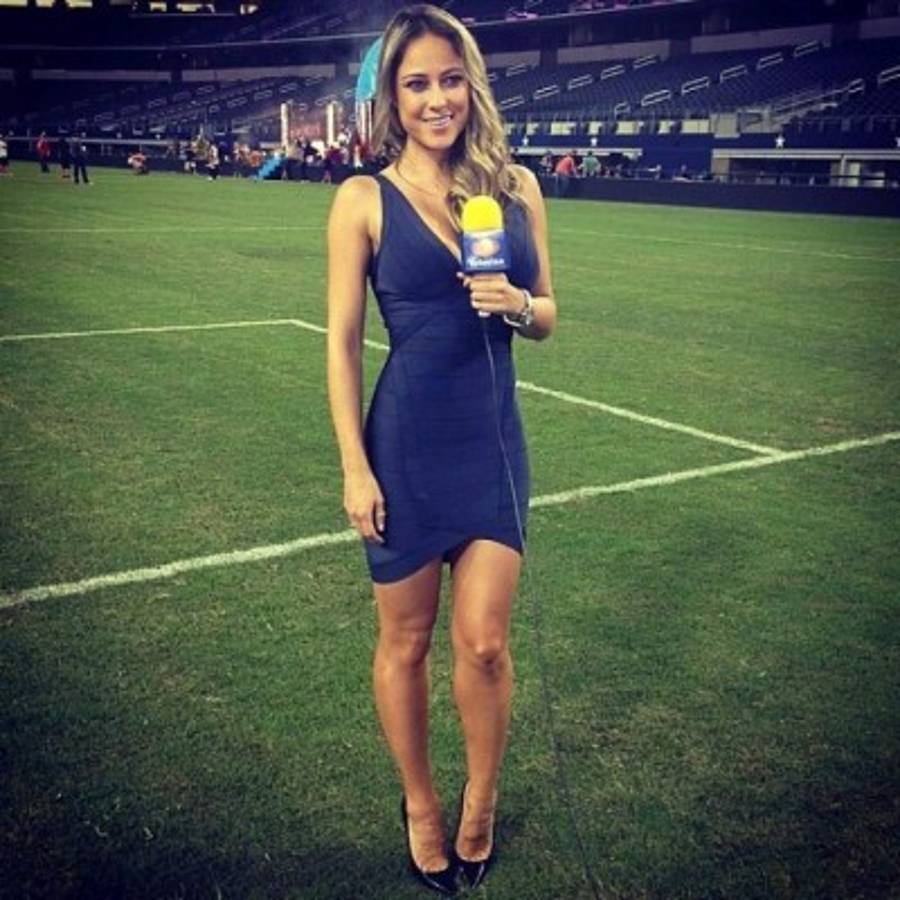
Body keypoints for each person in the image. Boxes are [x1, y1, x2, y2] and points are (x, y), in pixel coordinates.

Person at [326, 4, 556, 895]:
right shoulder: (362, 198)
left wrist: (519, 307)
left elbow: (549, 313)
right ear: (393, 96)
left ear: (472, 85)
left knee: (487, 644)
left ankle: (481, 802)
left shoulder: (518, 187)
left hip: (492, 443)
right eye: (417, 83)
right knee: (407, 641)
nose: (437, 99)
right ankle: (421, 805)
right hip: (405, 449)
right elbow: (342, 344)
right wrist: (355, 466)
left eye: (450, 79)